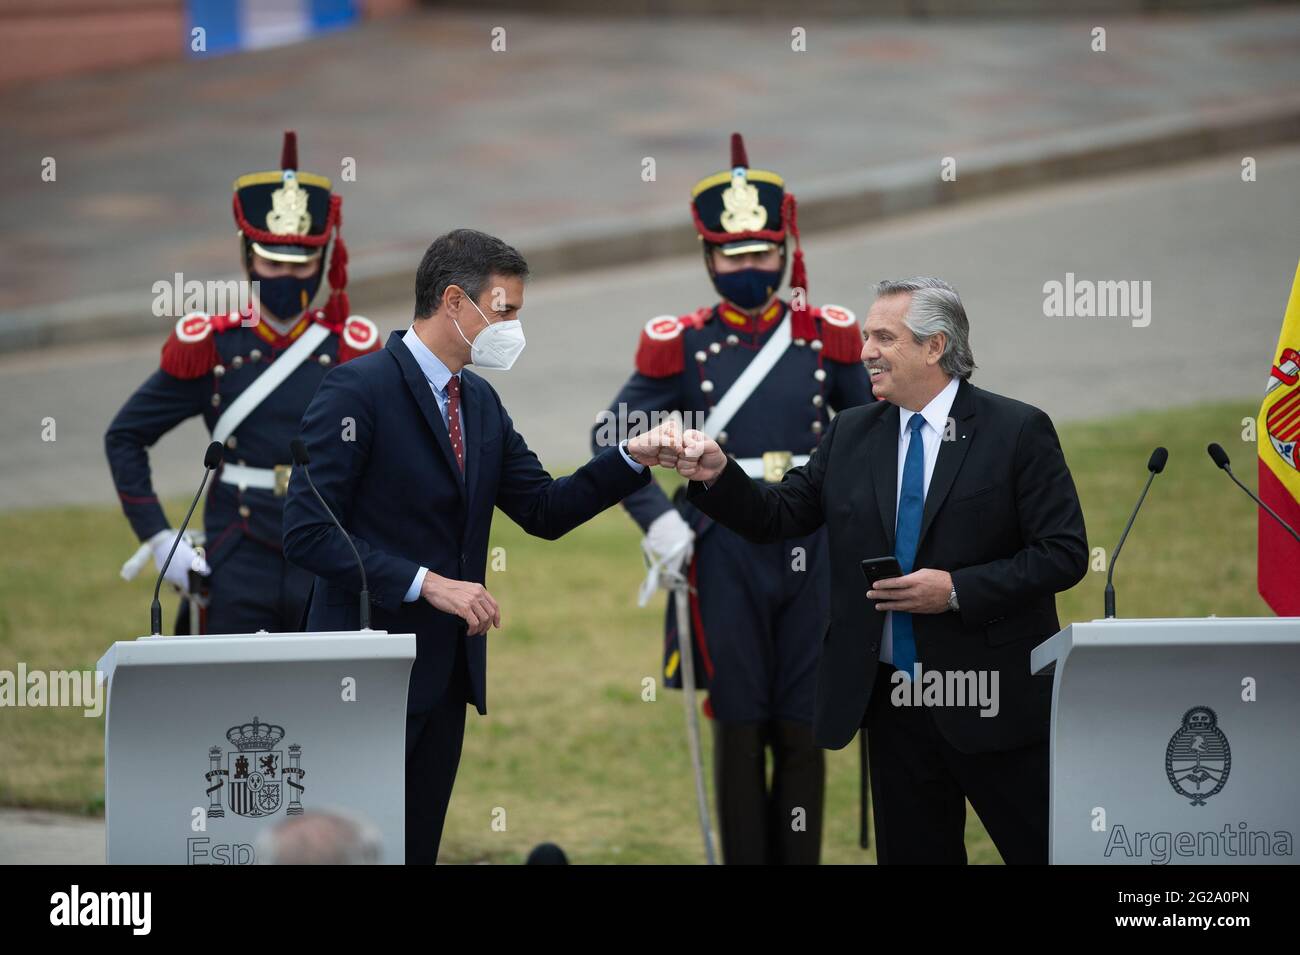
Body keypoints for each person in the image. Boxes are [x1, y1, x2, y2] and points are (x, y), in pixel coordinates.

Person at [282, 228, 681, 865]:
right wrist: (427, 582)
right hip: (363, 675)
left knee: (415, 851)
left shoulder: (481, 403)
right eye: (506, 310)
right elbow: (307, 531)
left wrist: (631, 458)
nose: (514, 326)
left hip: (444, 679)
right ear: (455, 303)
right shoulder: (359, 391)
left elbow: (544, 509)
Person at [675, 277, 1089, 864]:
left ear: (934, 346)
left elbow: (1063, 552)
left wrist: (957, 590)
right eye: (866, 335)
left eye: (883, 337)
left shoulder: (1017, 431)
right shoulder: (851, 432)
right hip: (893, 704)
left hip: (993, 701)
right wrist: (716, 472)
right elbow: (779, 514)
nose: (864, 349)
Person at [595, 134, 871, 865]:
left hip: (812, 546)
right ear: (708, 257)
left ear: (784, 252)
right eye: (732, 255)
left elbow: (881, 427)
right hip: (721, 551)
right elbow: (611, 436)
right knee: (740, 723)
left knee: (805, 725)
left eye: (761, 253)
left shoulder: (826, 339)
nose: (749, 269)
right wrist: (658, 521)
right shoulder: (684, 345)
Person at [105, 130, 380, 634]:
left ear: (324, 262)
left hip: (326, 546)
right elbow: (125, 436)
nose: (287, 278)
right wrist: (161, 537)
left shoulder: (351, 349)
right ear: (246, 256)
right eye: (272, 263)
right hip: (237, 549)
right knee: (231, 702)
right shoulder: (212, 347)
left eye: (302, 265)